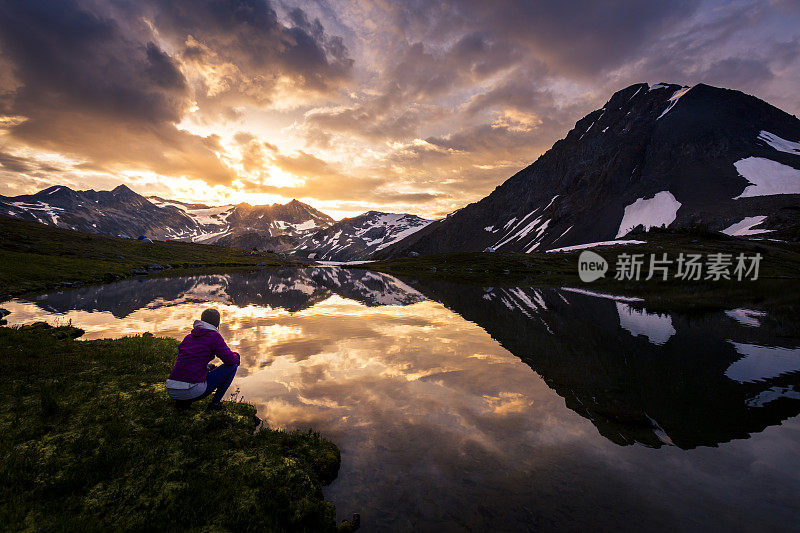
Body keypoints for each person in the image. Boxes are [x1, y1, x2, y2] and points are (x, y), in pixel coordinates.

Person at [166, 308, 240, 411]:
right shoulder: (214, 337)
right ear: (217, 323)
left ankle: (181, 403)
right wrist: (237, 356)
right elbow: (230, 360)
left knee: (209, 367)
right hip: (191, 390)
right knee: (232, 366)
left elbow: (189, 361)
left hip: (172, 389)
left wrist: (207, 368)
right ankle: (215, 404)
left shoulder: (188, 337)